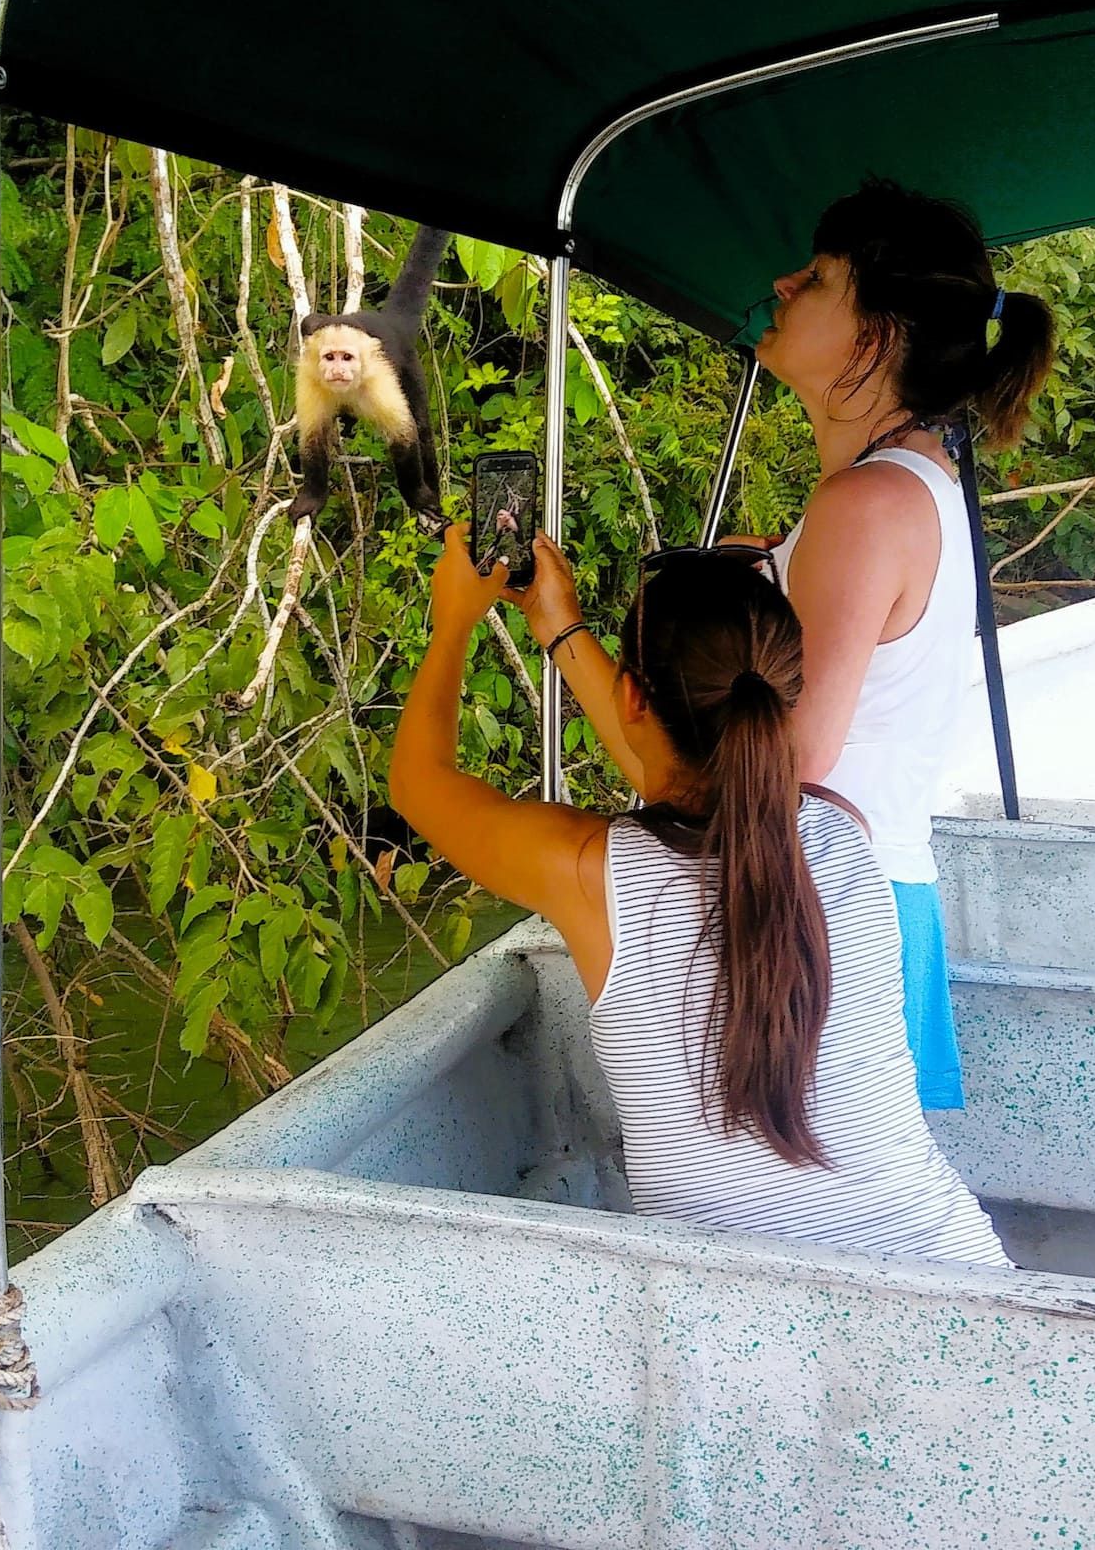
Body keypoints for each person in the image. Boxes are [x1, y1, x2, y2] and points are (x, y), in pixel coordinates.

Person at [519, 178, 1057, 1111]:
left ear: (875, 337)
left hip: (822, 914)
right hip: (852, 896)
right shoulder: (906, 484)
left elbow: (773, 768)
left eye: (817, 278)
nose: (783, 284)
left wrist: (563, 630)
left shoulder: (867, 504)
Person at [388, 527, 1009, 1266]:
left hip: (729, 1308)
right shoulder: (847, 833)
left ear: (632, 696)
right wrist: (560, 628)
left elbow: (419, 785)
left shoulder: (589, 872)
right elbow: (694, 778)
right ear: (783, 700)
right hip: (959, 1271)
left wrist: (454, 622)